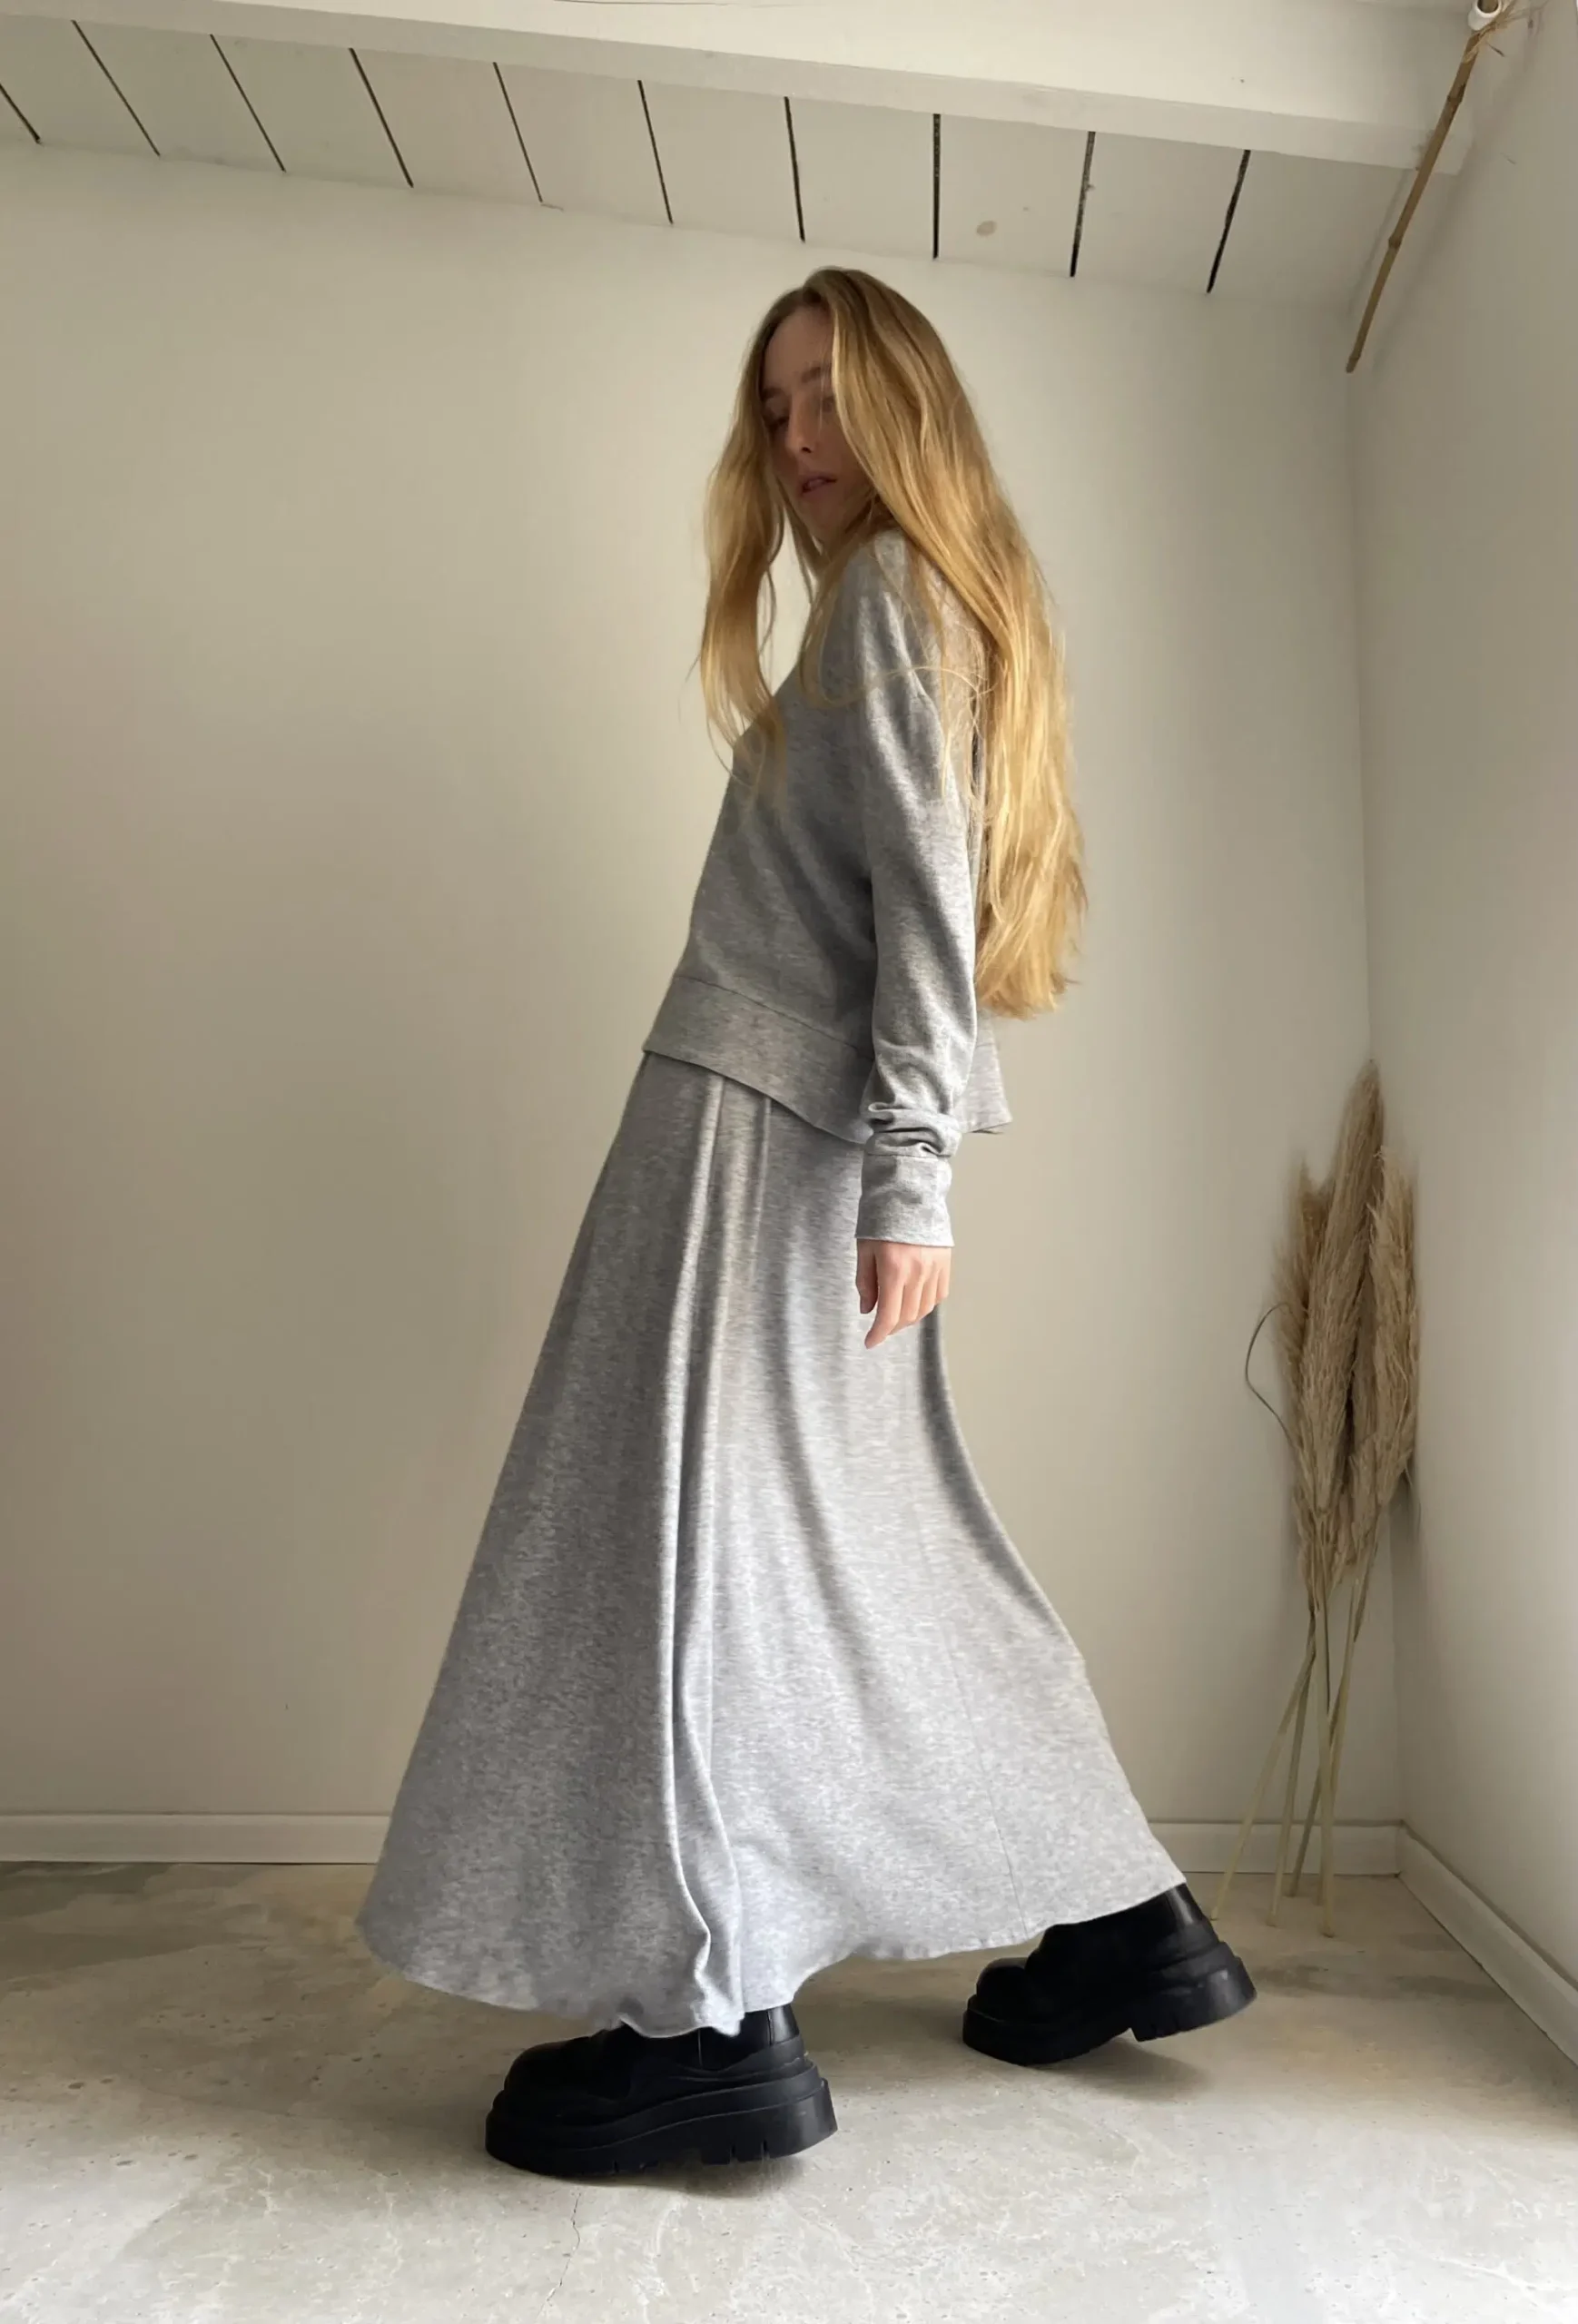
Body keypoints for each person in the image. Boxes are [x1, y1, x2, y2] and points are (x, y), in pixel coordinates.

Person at [357, 266, 1255, 2179]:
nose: (796, 438)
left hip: (746, 1129)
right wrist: (896, 1160)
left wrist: (914, 1169)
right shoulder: (925, 601)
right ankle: (1117, 1912)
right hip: (798, 1130)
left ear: (907, 408)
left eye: (830, 395)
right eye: (775, 406)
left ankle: (705, 2026)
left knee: (683, 1558)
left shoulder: (888, 600)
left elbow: (920, 907)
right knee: (862, 1552)